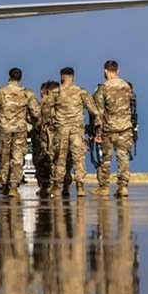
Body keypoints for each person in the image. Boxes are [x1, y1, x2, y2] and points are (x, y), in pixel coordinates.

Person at [0, 67, 41, 198]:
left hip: (4, 129)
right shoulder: (27, 93)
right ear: (20, 78)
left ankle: (5, 184)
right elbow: (36, 112)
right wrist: (32, 123)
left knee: (4, 157)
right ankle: (13, 187)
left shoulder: (0, 92)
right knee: (17, 158)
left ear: (9, 77)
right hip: (19, 130)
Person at [48, 67, 98, 197]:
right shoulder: (81, 92)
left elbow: (46, 110)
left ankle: (56, 187)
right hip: (76, 131)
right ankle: (80, 188)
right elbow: (94, 110)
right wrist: (97, 128)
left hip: (61, 131)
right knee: (79, 159)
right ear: (73, 77)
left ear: (61, 77)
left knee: (60, 159)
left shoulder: (56, 92)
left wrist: (52, 119)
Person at [92, 60, 135, 197]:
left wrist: (97, 131)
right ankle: (123, 186)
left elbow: (98, 112)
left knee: (106, 158)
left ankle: (104, 186)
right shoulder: (126, 86)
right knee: (123, 156)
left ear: (105, 71)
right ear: (118, 70)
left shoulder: (103, 88)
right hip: (125, 128)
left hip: (108, 129)